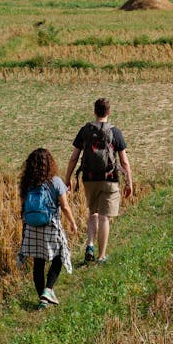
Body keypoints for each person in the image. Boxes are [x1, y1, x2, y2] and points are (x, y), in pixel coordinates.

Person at [65, 98, 133, 264]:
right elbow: (124, 161)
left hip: (89, 178)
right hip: (109, 179)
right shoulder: (115, 132)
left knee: (92, 213)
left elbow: (74, 157)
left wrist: (67, 179)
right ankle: (101, 256)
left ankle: (89, 245)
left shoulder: (85, 130)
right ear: (109, 112)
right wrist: (129, 182)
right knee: (104, 217)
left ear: (94, 111)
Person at [18, 147, 77, 310]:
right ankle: (48, 289)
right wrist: (72, 222)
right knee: (60, 256)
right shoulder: (56, 182)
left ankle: (42, 300)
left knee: (38, 262)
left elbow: (23, 206)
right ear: (50, 164)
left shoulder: (26, 183)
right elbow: (64, 206)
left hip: (31, 227)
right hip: (50, 225)